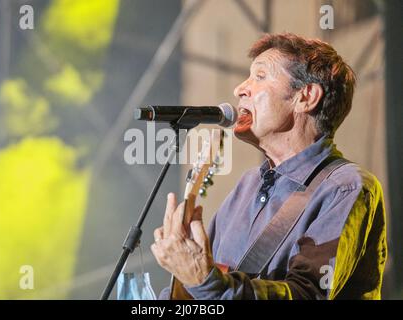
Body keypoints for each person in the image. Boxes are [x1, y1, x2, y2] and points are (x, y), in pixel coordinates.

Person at [150, 33, 387, 300]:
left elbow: (307, 295)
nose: (239, 89)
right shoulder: (247, 185)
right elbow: (203, 288)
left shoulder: (346, 187)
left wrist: (205, 282)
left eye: (260, 76)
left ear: (306, 97)